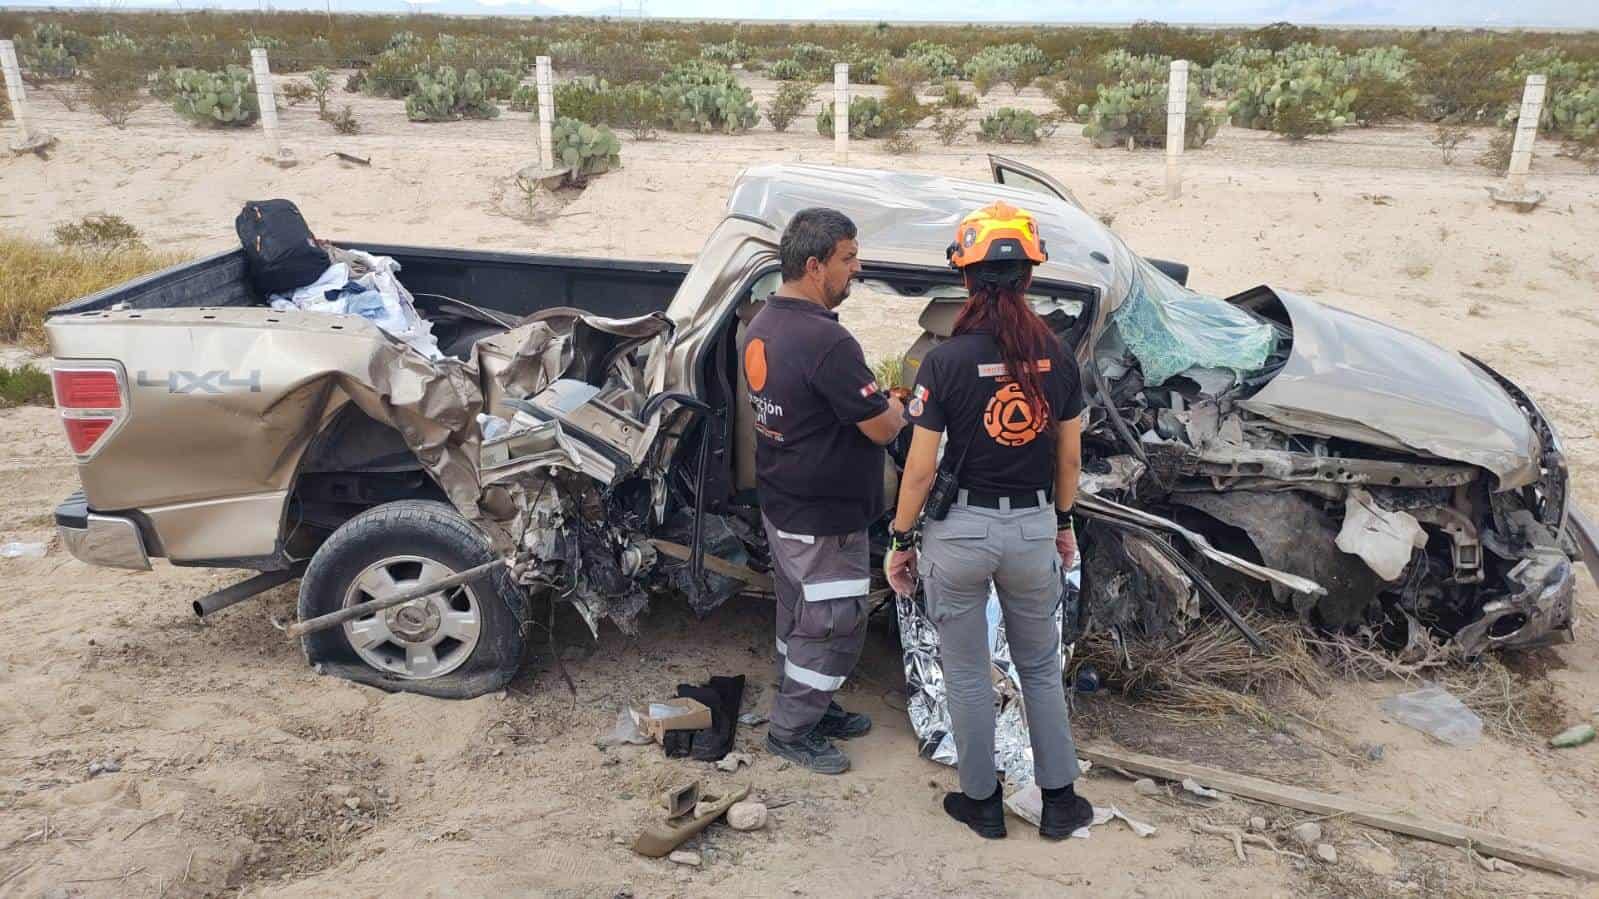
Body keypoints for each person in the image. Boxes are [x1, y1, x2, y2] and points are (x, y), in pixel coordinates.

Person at [883, 201, 1094, 839]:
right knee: (1039, 668)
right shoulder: (1058, 358)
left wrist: (900, 540)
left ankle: (981, 804)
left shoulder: (944, 363)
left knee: (967, 672)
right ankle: (1060, 803)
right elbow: (1070, 458)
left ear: (967, 279)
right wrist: (1063, 525)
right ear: (1030, 278)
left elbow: (919, 471)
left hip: (960, 534)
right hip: (1032, 530)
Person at [740, 207, 906, 774]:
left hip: (783, 502)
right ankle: (792, 730)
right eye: (848, 258)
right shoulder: (827, 341)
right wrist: (898, 409)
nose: (855, 269)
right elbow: (882, 427)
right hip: (824, 517)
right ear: (815, 266)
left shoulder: (763, 324)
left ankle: (808, 701)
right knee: (832, 621)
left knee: (797, 611)